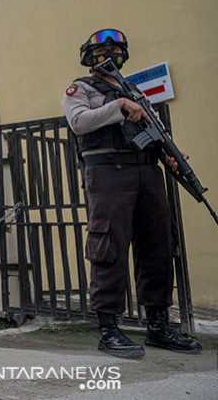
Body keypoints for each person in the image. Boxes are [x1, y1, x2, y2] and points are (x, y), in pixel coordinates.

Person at [62, 28, 202, 359]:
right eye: (101, 51)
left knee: (158, 245)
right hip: (109, 172)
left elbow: (148, 130)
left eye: (115, 49)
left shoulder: (134, 91)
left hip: (147, 171)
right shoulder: (80, 88)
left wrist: (168, 154)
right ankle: (109, 330)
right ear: (88, 58)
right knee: (108, 245)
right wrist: (118, 106)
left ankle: (158, 325)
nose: (109, 55)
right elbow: (78, 122)